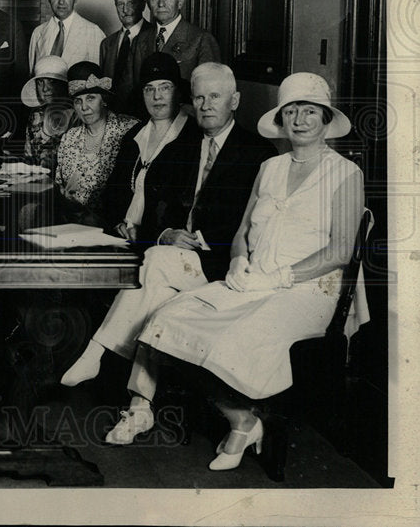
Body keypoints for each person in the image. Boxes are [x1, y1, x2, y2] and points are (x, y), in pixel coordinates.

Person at [130, 73, 363, 471]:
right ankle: (242, 419)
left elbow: (340, 250)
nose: (300, 119)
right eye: (291, 111)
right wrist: (239, 261)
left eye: (310, 111)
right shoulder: (270, 167)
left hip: (308, 292)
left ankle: (242, 428)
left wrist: (279, 278)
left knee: (231, 336)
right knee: (166, 321)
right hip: (252, 280)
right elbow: (242, 233)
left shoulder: (344, 173)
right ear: (282, 119)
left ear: (326, 119)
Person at [59, 62, 276, 447]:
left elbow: (260, 223)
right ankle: (140, 409)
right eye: (199, 97)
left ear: (235, 100)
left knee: (155, 266)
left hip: (226, 264)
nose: (206, 105)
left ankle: (100, 350)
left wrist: (199, 239)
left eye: (215, 97)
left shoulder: (258, 152)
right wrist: (166, 232)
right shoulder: (183, 146)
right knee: (156, 293)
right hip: (180, 261)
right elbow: (153, 202)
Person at [97, 52, 200, 238]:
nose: (156, 96)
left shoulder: (193, 137)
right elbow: (112, 192)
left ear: (177, 91)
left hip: (160, 242)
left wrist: (145, 234)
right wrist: (116, 224)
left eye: (164, 87)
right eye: (149, 89)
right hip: (121, 238)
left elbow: (183, 206)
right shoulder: (134, 135)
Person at [54, 62, 139, 225]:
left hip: (114, 224)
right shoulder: (69, 138)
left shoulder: (129, 130)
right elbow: (60, 189)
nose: (84, 107)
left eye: (91, 98)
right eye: (78, 101)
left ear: (104, 100)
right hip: (72, 224)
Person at [145, 0, 220, 80]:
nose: (161, 4)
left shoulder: (202, 39)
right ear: (148, 4)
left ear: (180, 2)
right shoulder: (140, 40)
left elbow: (207, 88)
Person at [99, 0, 156, 116]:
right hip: (112, 118)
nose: (125, 10)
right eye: (120, 4)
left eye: (131, 3)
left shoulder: (154, 36)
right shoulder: (107, 44)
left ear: (143, 5)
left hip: (145, 117)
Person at [28, 0, 104, 71]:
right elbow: (32, 77)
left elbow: (99, 79)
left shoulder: (93, 32)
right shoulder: (38, 33)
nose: (61, 1)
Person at [19, 55, 76, 172]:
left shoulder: (78, 116)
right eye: (40, 82)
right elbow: (28, 158)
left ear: (64, 84)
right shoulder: (36, 115)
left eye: (51, 81)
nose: (45, 89)